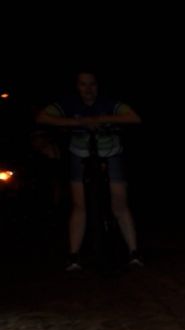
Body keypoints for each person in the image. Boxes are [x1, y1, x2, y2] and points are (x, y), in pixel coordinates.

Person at [36, 71, 143, 271]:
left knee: (119, 202)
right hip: (80, 153)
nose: (88, 89)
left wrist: (103, 119)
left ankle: (134, 252)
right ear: (77, 86)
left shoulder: (108, 102)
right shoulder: (69, 103)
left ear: (98, 85)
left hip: (111, 152)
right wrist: (78, 122)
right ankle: (74, 256)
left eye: (92, 84)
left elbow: (135, 117)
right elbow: (42, 117)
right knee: (79, 205)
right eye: (83, 84)